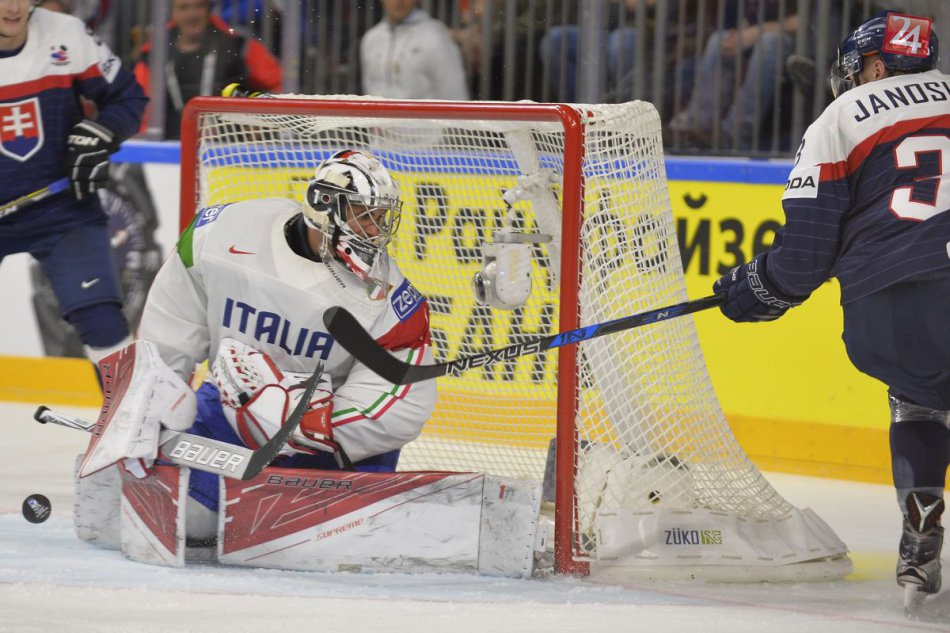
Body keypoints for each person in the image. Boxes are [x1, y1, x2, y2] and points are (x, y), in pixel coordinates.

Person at [711, 11, 947, 610]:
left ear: (876, 67)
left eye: (855, 69)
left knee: (919, 393)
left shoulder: (841, 117)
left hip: (893, 311)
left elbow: (802, 261)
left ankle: (920, 536)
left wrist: (753, 288)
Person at [132, 149, 437, 541]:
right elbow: (168, 332)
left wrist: (303, 422)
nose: (374, 230)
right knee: (183, 521)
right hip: (227, 420)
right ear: (322, 207)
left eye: (380, 218)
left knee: (334, 544)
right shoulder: (221, 233)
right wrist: (150, 411)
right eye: (364, 216)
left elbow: (401, 403)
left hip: (325, 449)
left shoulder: (391, 300)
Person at [0, 0, 147, 366]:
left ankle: (133, 405)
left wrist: (103, 132)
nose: (14, 6)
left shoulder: (65, 32)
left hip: (63, 211)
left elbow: (127, 97)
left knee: (105, 329)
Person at [133, 0, 282, 139]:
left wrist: (262, 120)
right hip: (170, 147)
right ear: (172, 13)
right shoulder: (153, 55)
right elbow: (138, 105)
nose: (192, 14)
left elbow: (279, 86)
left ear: (208, 10)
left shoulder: (239, 46)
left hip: (232, 148)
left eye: (199, 6)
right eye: (183, 8)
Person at [669, 0, 798, 150]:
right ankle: (697, 128)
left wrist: (757, 31)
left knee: (769, 42)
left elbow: (804, 21)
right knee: (719, 40)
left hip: (799, 43)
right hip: (758, 34)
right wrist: (739, 36)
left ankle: (734, 134)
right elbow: (751, 18)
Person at [539, 0, 648, 103]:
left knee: (621, 42)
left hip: (633, 25)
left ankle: (626, 108)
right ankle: (580, 109)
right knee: (555, 40)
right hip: (594, 28)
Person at [360, 0, 469, 100]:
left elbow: (454, 95)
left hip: (423, 116)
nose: (398, 1)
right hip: (377, 115)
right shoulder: (371, 39)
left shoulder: (435, 37)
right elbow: (369, 92)